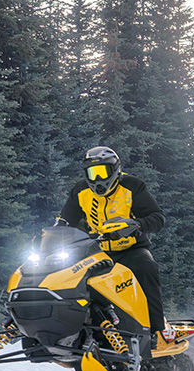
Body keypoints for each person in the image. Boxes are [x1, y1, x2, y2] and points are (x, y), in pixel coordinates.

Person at [56, 146, 175, 347]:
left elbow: (157, 217)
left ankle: (156, 330)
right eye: (92, 173)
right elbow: (65, 220)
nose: (97, 179)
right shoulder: (80, 191)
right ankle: (70, 331)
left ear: (115, 170)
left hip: (131, 250)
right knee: (67, 277)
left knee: (147, 268)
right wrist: (53, 234)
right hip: (95, 251)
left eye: (103, 172)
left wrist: (137, 225)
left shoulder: (133, 186)